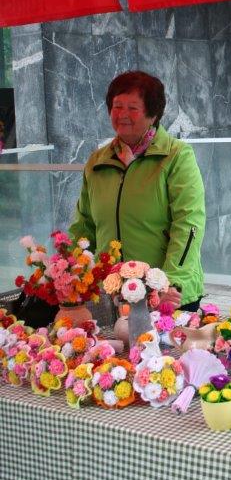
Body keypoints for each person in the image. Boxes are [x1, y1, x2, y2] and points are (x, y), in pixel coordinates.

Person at [69, 70, 205, 311]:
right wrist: (72, 273)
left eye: (132, 108)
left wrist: (171, 281)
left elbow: (189, 224)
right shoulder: (97, 161)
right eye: (117, 106)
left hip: (164, 295)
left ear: (153, 114)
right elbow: (84, 226)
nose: (122, 115)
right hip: (112, 293)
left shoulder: (176, 156)